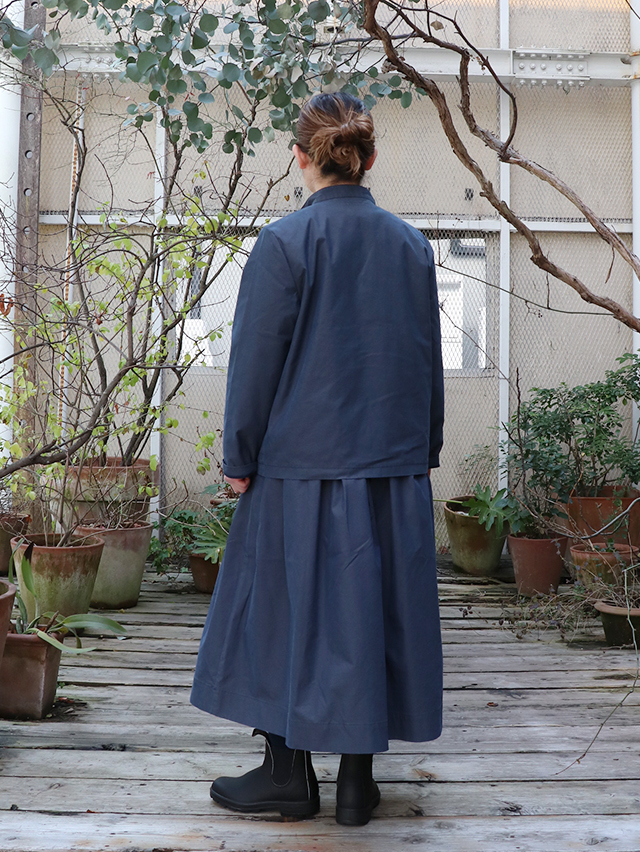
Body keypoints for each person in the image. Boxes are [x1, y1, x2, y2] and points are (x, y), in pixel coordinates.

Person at [190, 91, 445, 827]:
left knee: (278, 611)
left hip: (297, 470)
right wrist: (421, 451)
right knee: (372, 614)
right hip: (390, 468)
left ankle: (287, 776)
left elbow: (255, 364)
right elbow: (424, 361)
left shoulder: (285, 243)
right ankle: (357, 784)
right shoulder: (411, 247)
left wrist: (239, 455)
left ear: (300, 158)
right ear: (370, 157)